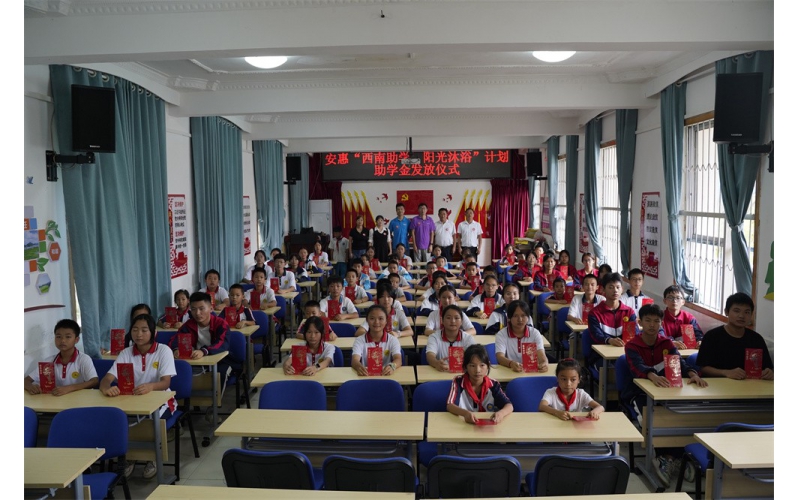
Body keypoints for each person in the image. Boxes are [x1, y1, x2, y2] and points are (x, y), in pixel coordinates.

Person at [622, 303, 707, 487]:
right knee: (655, 419)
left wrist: (692, 374)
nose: (652, 325)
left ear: (661, 323)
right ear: (640, 322)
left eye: (656, 321)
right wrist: (652, 375)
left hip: (667, 390)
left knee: (679, 416)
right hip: (639, 393)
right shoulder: (632, 345)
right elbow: (637, 367)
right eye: (648, 321)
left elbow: (679, 362)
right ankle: (664, 457)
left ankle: (676, 457)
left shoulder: (666, 343)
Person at [101, 313, 176, 480]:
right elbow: (107, 379)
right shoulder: (126, 353)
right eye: (135, 330)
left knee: (150, 422)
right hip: (131, 401)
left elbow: (165, 382)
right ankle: (130, 456)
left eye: (144, 330)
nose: (139, 334)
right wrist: (106, 388)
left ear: (153, 332)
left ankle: (152, 457)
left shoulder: (163, 351)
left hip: (161, 399)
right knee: (118, 419)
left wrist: (151, 386)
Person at [696, 293, 773, 380]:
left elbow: (768, 367)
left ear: (751, 315)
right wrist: (726, 372)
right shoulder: (712, 336)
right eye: (736, 311)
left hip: (750, 386)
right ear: (726, 312)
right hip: (719, 385)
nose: (741, 316)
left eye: (747, 312)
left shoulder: (756, 339)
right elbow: (703, 368)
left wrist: (769, 372)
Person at [25, 319, 98, 395]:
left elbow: (94, 381)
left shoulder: (84, 359)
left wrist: (69, 388)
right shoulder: (48, 362)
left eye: (68, 337)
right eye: (58, 336)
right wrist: (30, 387)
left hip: (78, 399)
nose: (63, 340)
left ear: (76, 340)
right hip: (55, 400)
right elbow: (26, 380)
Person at [446, 344, 514, 424]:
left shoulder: (493, 384)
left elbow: (509, 406)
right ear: (465, 367)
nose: (477, 370)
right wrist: (465, 413)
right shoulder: (458, 381)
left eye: (482, 365)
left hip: (487, 426)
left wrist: (501, 413)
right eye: (472, 366)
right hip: (463, 425)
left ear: (488, 366)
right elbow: (450, 405)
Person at [587, 273, 637, 366]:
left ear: (622, 289)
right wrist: (609, 340)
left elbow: (634, 334)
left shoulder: (629, 312)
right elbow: (596, 335)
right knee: (613, 368)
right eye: (611, 287)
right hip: (601, 356)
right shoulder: (595, 313)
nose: (615, 290)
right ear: (603, 290)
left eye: (618, 287)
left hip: (625, 353)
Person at [539, 358, 604, 420]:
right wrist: (557, 412)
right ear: (557, 378)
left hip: (575, 426)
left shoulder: (581, 394)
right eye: (564, 379)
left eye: (573, 380)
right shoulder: (551, 392)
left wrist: (595, 412)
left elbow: (600, 407)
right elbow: (542, 406)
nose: (568, 384)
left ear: (579, 380)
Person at [170, 292, 230, 360]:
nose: (197, 313)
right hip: (196, 361)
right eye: (193, 309)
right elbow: (175, 339)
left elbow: (223, 343)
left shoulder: (221, 324)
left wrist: (203, 351)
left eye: (201, 309)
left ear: (211, 308)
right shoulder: (188, 325)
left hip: (219, 360)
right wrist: (176, 349)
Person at [494, 300, 548, 372]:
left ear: (528, 317)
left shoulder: (535, 333)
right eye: (515, 316)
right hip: (509, 371)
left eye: (523, 315)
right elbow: (500, 357)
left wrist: (544, 363)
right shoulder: (501, 334)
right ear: (509, 318)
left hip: (530, 372)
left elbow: (541, 354)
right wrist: (511, 363)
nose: (520, 319)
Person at [351, 304, 403, 376]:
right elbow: (355, 360)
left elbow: (398, 359)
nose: (376, 322)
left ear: (386, 321)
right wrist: (358, 367)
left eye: (381, 319)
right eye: (372, 318)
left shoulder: (393, 340)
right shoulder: (359, 340)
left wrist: (392, 366)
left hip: (386, 375)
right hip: (365, 376)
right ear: (367, 320)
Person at [426, 304, 478, 371]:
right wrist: (436, 363)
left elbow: (473, 357)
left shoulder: (468, 338)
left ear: (461, 321)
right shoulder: (434, 337)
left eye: (456, 318)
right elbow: (430, 355)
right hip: (441, 372)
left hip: (462, 373)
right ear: (442, 321)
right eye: (448, 318)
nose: (453, 321)